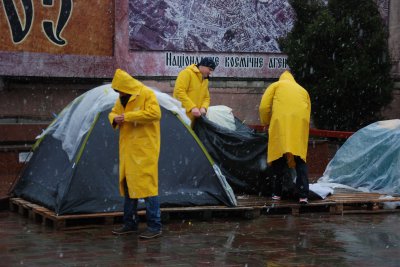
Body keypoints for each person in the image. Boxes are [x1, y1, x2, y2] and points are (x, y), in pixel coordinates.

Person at [109, 69, 162, 239]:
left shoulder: (146, 94)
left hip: (144, 150)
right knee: (128, 187)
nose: (119, 93)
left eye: (120, 90)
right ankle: (130, 223)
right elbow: (113, 112)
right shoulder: (122, 98)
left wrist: (129, 116)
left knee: (148, 189)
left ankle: (155, 226)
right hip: (128, 150)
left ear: (126, 86)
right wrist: (114, 119)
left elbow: (155, 114)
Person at [259, 70, 311, 204]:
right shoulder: (303, 90)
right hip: (298, 128)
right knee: (300, 159)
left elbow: (264, 107)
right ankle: (303, 195)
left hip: (280, 127)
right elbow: (308, 111)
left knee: (279, 158)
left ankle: (277, 193)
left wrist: (266, 122)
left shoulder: (276, 86)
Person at [173, 57, 216, 126]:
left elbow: (206, 98)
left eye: (212, 71)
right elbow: (179, 92)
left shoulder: (205, 80)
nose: (210, 73)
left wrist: (203, 108)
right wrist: (192, 107)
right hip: (181, 117)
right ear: (203, 66)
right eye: (210, 69)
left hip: (195, 120)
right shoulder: (186, 73)